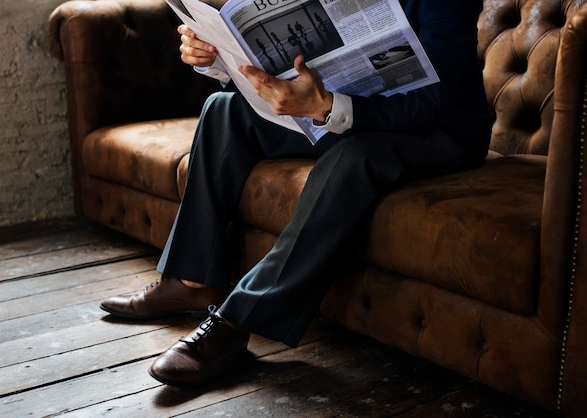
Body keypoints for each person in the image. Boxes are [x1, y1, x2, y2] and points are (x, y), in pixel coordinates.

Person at [100, 0, 493, 387]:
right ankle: (191, 282)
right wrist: (217, 60)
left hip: (440, 132)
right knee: (224, 110)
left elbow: (434, 102)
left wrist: (325, 109)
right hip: (343, 114)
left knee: (354, 156)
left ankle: (235, 321)